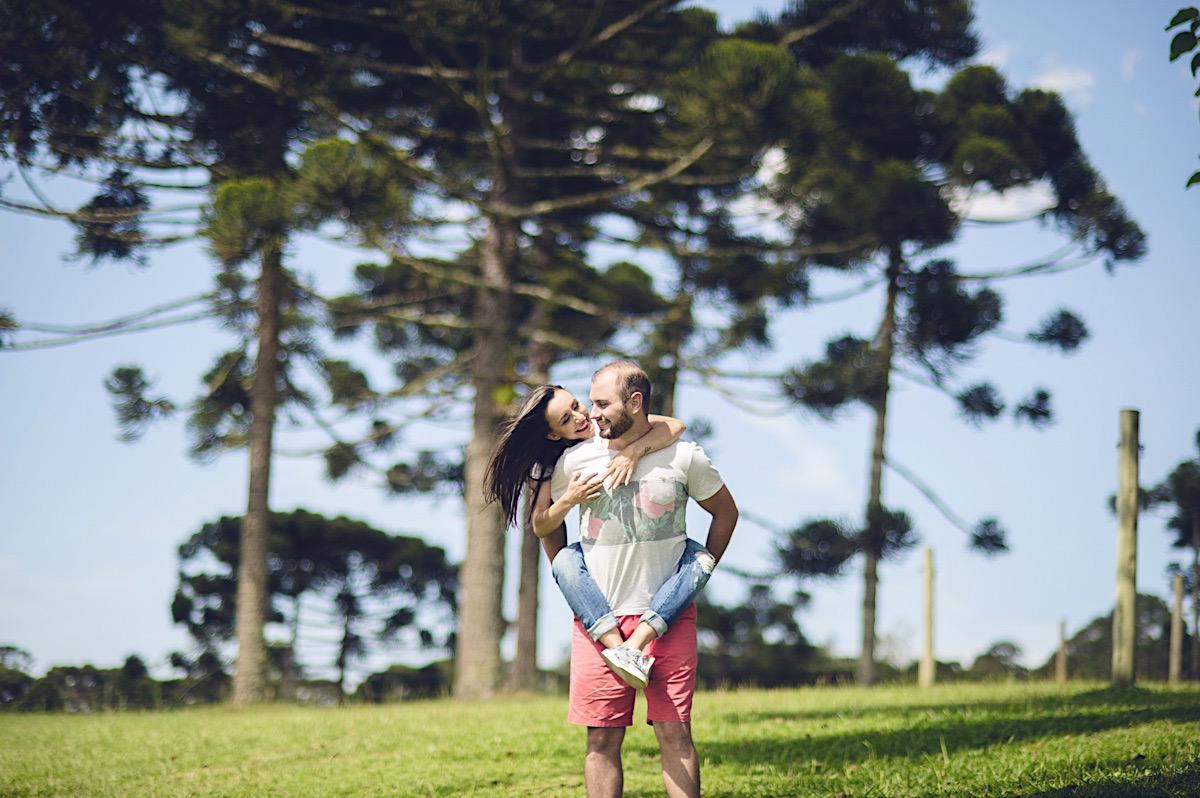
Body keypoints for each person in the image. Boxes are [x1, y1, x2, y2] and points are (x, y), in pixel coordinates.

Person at [550, 360, 738, 798]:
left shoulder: (684, 455)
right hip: (600, 624)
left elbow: (726, 513)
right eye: (590, 402)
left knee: (675, 735)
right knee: (600, 741)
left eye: (601, 403)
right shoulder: (576, 459)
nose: (591, 414)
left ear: (634, 402)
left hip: (668, 621)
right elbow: (550, 524)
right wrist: (568, 573)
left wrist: (701, 564)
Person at [485, 383, 715, 688]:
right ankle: (617, 645)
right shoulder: (554, 464)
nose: (580, 417)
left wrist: (631, 453)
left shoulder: (605, 423)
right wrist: (570, 498)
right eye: (566, 420)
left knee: (700, 559)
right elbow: (541, 525)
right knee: (565, 561)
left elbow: (675, 425)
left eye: (576, 406)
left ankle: (630, 649)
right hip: (598, 566)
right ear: (554, 435)